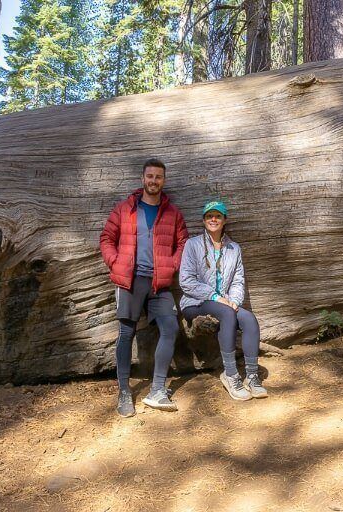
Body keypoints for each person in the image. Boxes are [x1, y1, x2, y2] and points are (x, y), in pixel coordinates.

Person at [99, 159, 189, 417]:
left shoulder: (172, 213)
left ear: (164, 180)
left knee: (170, 328)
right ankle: (125, 391)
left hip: (159, 283)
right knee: (126, 334)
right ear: (142, 179)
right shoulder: (125, 208)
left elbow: (183, 241)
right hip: (130, 281)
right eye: (150, 176)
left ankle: (158, 389)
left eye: (158, 177)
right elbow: (106, 238)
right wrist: (115, 262)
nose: (153, 181)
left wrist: (172, 265)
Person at [179, 201, 267, 401]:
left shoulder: (234, 248)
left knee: (249, 319)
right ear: (203, 220)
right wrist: (216, 297)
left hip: (225, 303)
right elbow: (186, 281)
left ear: (224, 220)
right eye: (209, 216)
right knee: (227, 313)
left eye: (218, 216)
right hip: (195, 302)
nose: (213, 219)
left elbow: (238, 279)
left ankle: (252, 376)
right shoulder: (192, 245)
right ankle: (231, 375)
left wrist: (235, 300)